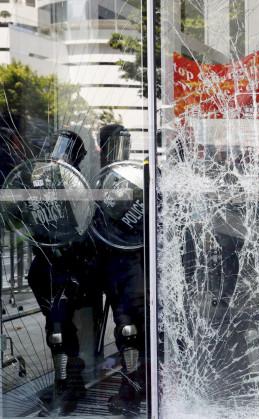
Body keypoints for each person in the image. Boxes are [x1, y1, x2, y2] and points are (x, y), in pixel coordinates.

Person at [26, 130, 98, 414]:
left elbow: (85, 228)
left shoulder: (77, 185)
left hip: (69, 264)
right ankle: (67, 382)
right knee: (55, 328)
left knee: (58, 329)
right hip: (45, 264)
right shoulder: (42, 181)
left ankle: (69, 384)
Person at [95, 124, 147, 415]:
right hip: (125, 263)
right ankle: (134, 387)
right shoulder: (103, 180)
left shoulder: (126, 178)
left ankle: (131, 391)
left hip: (128, 263)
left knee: (129, 329)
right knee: (133, 329)